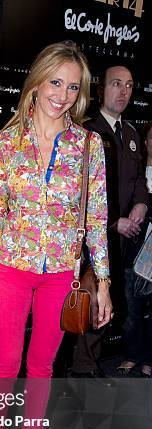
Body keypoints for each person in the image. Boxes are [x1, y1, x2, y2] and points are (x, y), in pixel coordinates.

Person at [0, 41, 112, 429]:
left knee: (43, 366)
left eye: (73, 87)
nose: (62, 95)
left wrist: (105, 285)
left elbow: (96, 216)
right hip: (11, 266)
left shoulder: (88, 145)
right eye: (55, 82)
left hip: (60, 271)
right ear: (36, 82)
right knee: (5, 363)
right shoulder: (6, 141)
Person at [71, 65, 149, 377]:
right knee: (89, 303)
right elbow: (78, 192)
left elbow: (139, 178)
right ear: (101, 89)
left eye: (129, 85)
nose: (123, 91)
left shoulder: (130, 134)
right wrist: (113, 221)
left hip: (125, 239)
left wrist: (142, 203)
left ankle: (90, 363)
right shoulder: (86, 132)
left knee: (110, 303)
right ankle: (82, 367)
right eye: (116, 84)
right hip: (95, 236)